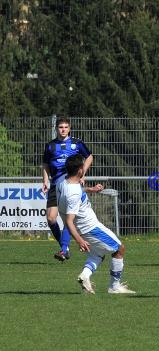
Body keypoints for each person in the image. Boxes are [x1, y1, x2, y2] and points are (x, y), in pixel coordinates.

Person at [57, 154, 135, 294]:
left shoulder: (63, 182)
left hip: (84, 228)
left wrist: (91, 190)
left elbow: (76, 193)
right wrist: (80, 241)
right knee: (119, 249)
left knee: (98, 254)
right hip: (91, 228)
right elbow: (69, 220)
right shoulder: (73, 193)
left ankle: (85, 276)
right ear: (80, 170)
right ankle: (114, 286)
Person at [42, 116, 93, 262]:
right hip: (55, 185)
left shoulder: (77, 144)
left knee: (68, 217)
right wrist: (45, 181)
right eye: (60, 127)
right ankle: (65, 247)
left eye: (65, 127)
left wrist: (82, 173)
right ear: (56, 129)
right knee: (51, 218)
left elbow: (89, 157)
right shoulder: (50, 146)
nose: (63, 129)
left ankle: (64, 250)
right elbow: (45, 164)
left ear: (69, 129)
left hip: (71, 185)